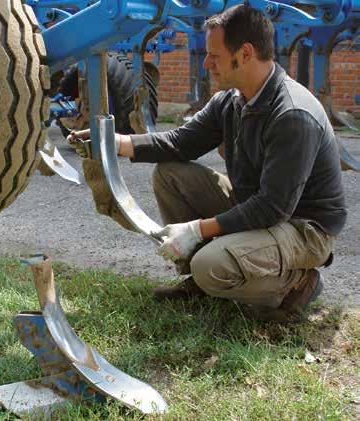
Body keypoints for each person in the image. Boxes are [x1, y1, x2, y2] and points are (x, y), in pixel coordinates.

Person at [69, 5, 347, 322]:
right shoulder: (232, 100)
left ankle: (297, 284)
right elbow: (180, 143)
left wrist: (195, 230)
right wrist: (114, 143)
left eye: (214, 54)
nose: (206, 63)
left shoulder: (292, 115)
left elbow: (273, 208)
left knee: (210, 266)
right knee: (171, 174)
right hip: (260, 205)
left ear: (244, 54)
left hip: (303, 228)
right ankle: (202, 282)